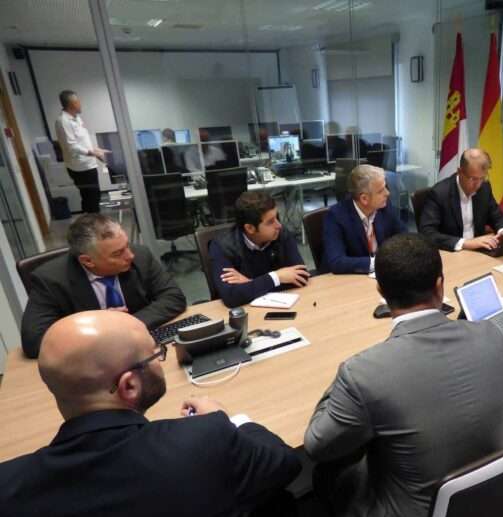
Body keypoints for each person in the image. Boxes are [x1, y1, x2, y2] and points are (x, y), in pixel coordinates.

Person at [0, 311, 301, 517]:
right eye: (155, 356)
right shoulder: (204, 438)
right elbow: (285, 464)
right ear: (129, 385)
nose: (160, 359)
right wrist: (230, 420)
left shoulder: (7, 489)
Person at [304, 233, 503, 517]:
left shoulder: (362, 373)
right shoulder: (491, 335)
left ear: (381, 292)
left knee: (330, 473)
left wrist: (344, 375)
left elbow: (316, 444)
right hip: (498, 510)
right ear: (440, 285)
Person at [21, 214, 186, 358]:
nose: (130, 255)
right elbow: (34, 341)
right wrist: (98, 326)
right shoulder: (50, 280)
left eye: (127, 245)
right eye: (117, 253)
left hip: (142, 348)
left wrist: (124, 324)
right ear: (87, 261)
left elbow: (173, 297)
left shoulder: (141, 256)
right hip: (92, 360)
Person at [208, 190, 309, 307]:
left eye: (277, 217)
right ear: (250, 228)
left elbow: (301, 277)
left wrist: (250, 283)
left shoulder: (281, 234)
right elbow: (231, 297)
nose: (279, 225)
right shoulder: (222, 246)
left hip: (281, 306)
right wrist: (277, 277)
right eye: (270, 222)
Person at [420, 148, 503, 252]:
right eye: (473, 179)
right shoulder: (439, 193)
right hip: (451, 252)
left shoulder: (484, 188)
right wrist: (465, 243)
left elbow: (497, 217)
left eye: (482, 178)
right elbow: (427, 233)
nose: (478, 184)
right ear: (460, 172)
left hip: (480, 251)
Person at [323, 164, 406, 274]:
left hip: (382, 275)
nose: (387, 193)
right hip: (351, 279)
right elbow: (337, 262)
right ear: (364, 199)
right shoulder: (336, 216)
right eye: (381, 191)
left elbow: (404, 236)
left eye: (386, 187)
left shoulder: (383, 206)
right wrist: (381, 263)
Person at [54, 89, 109, 213]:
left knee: (94, 196)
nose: (80, 104)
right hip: (81, 168)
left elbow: (83, 141)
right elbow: (71, 146)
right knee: (91, 199)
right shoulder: (63, 121)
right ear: (72, 104)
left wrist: (96, 150)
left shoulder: (76, 118)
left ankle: (91, 220)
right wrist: (93, 153)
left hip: (88, 164)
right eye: (78, 101)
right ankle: (93, 221)